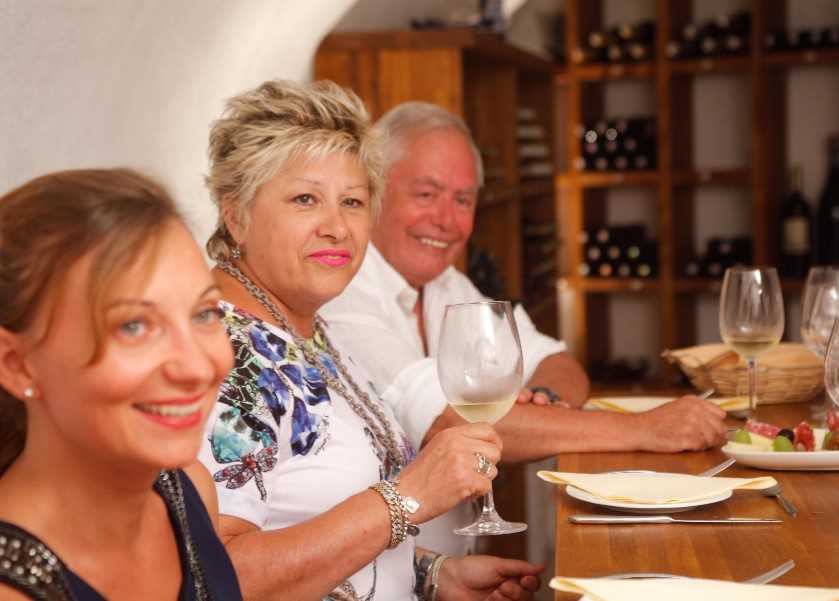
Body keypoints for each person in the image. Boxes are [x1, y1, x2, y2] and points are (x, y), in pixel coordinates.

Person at [320, 101, 728, 554]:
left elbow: (554, 360)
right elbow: (448, 422)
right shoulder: (343, 291)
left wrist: (545, 403)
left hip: (446, 572)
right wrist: (643, 431)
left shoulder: (449, 284)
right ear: (377, 192)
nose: (446, 219)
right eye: (425, 194)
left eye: (463, 199)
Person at [198, 79, 542, 601]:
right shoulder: (222, 357)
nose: (337, 226)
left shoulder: (313, 332)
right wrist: (406, 499)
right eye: (305, 199)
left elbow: (310, 523)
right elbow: (221, 577)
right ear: (235, 213)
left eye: (353, 202)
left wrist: (432, 575)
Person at [0, 168, 242, 600]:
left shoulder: (189, 491)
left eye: (205, 314)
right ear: (16, 364)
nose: (196, 368)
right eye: (133, 326)